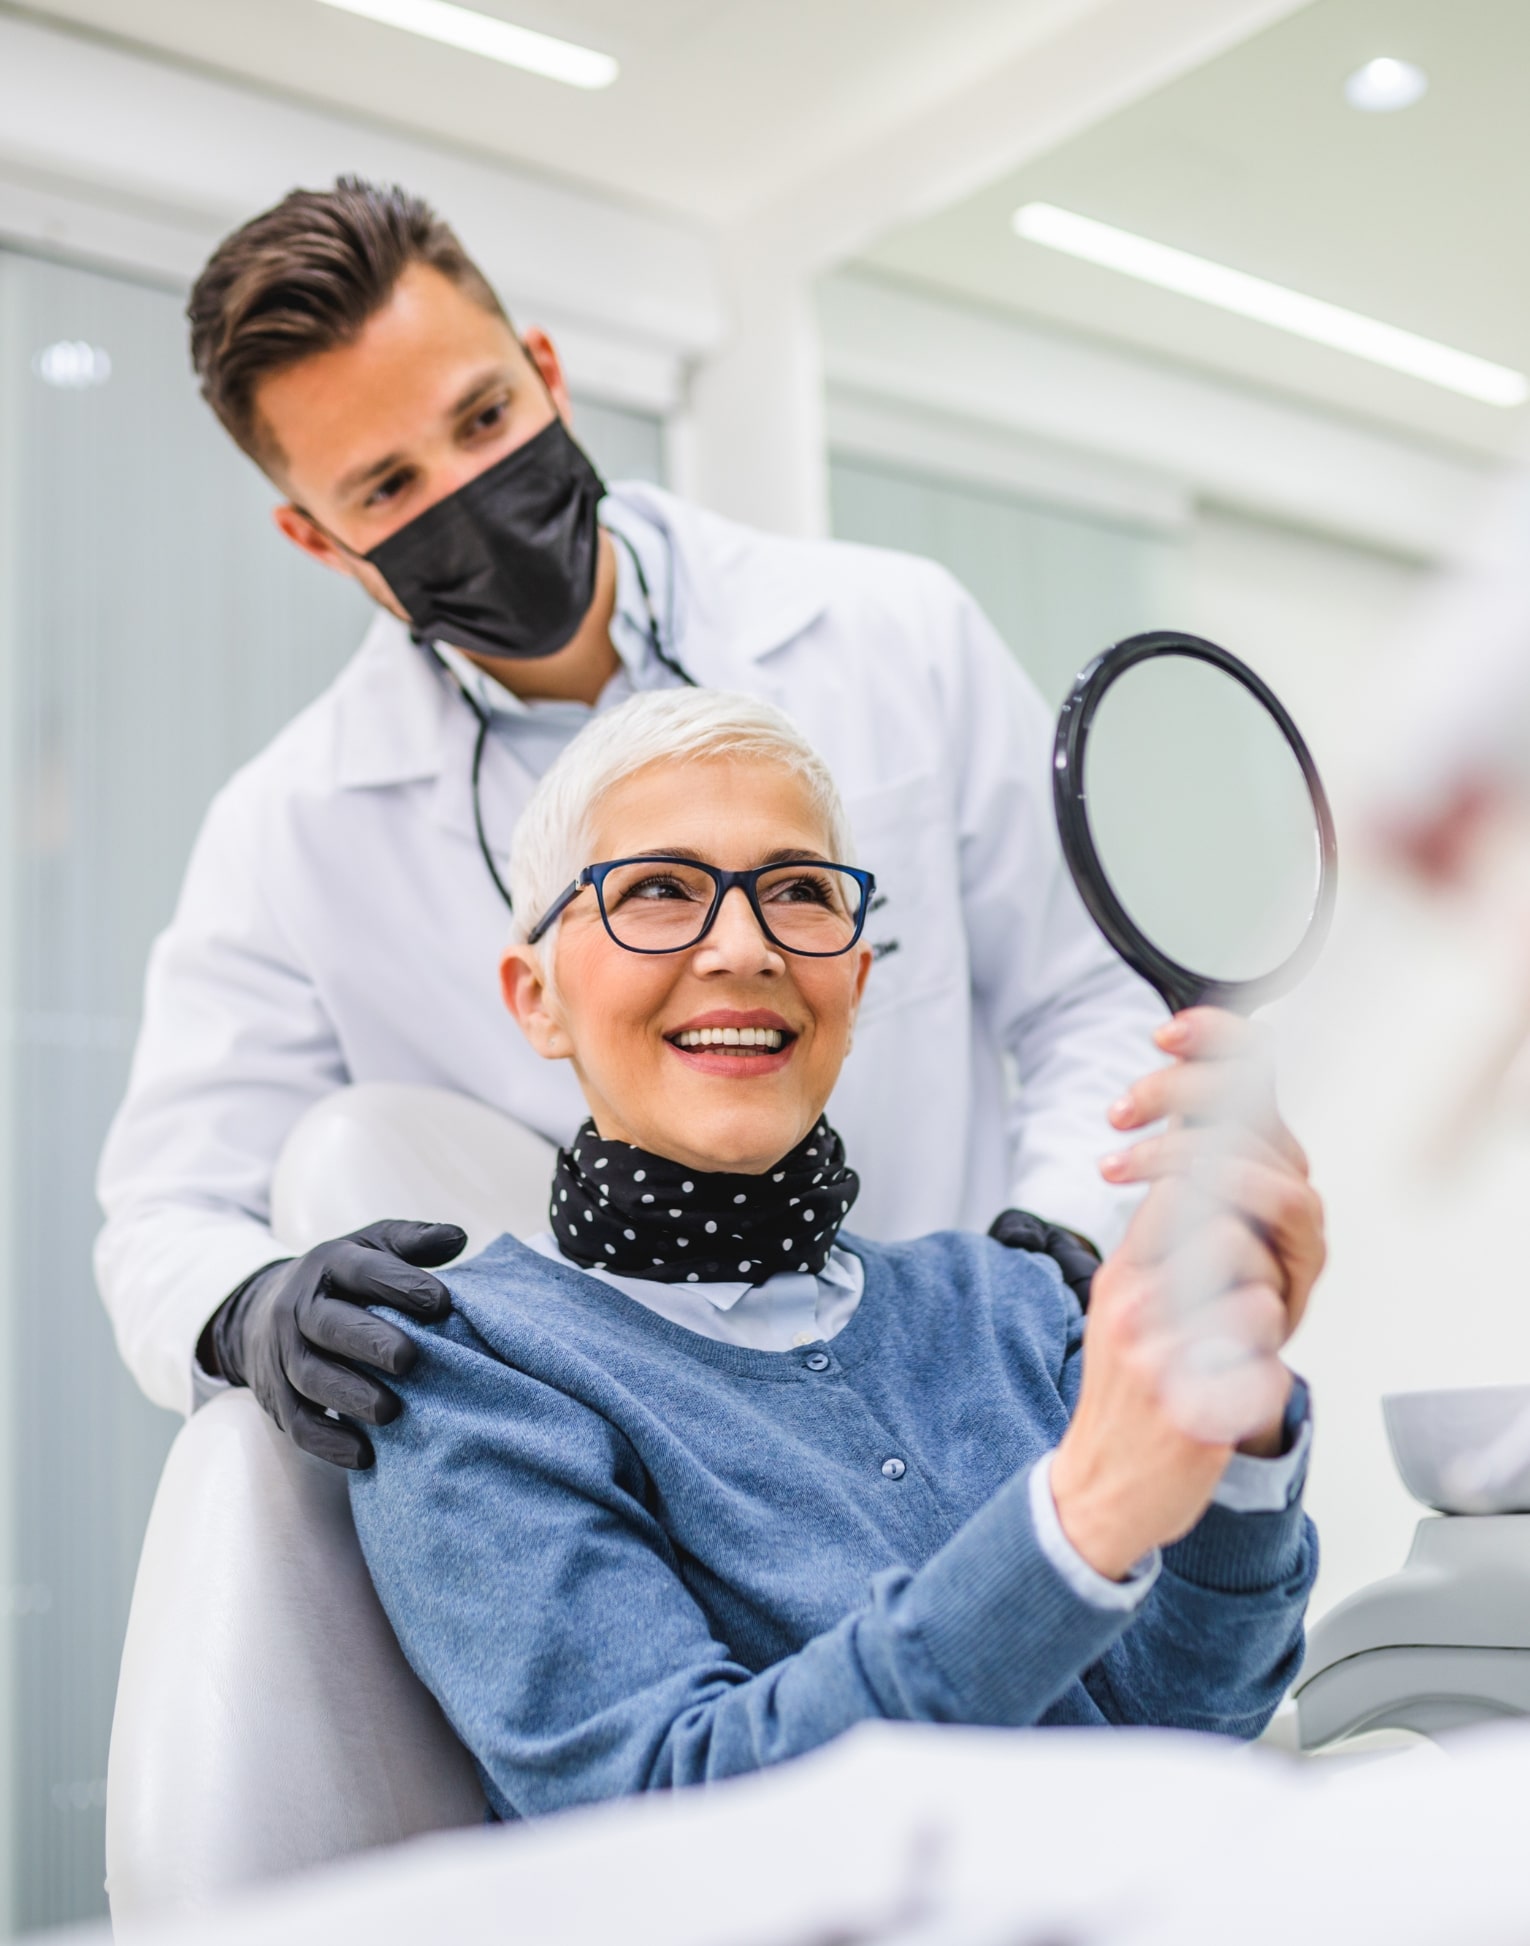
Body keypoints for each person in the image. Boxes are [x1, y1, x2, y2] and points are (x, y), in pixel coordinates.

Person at [96, 177, 1165, 1465]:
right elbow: (167, 1207)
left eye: (485, 417)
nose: (469, 494)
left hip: (981, 1395)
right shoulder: (293, 828)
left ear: (547, 372)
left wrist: (1051, 1246)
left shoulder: (895, 636)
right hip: (638, 1474)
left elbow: (1092, 1001)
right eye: (387, 486)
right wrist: (246, 1304)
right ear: (318, 541)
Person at [348, 689, 1322, 1819]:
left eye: (799, 893)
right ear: (538, 997)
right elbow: (668, 1821)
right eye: (659, 890)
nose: (744, 946)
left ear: (854, 984)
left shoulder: (1009, 1303)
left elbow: (1192, 1717)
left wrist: (1236, 1426)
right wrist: (1079, 1517)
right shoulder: (475, 1376)